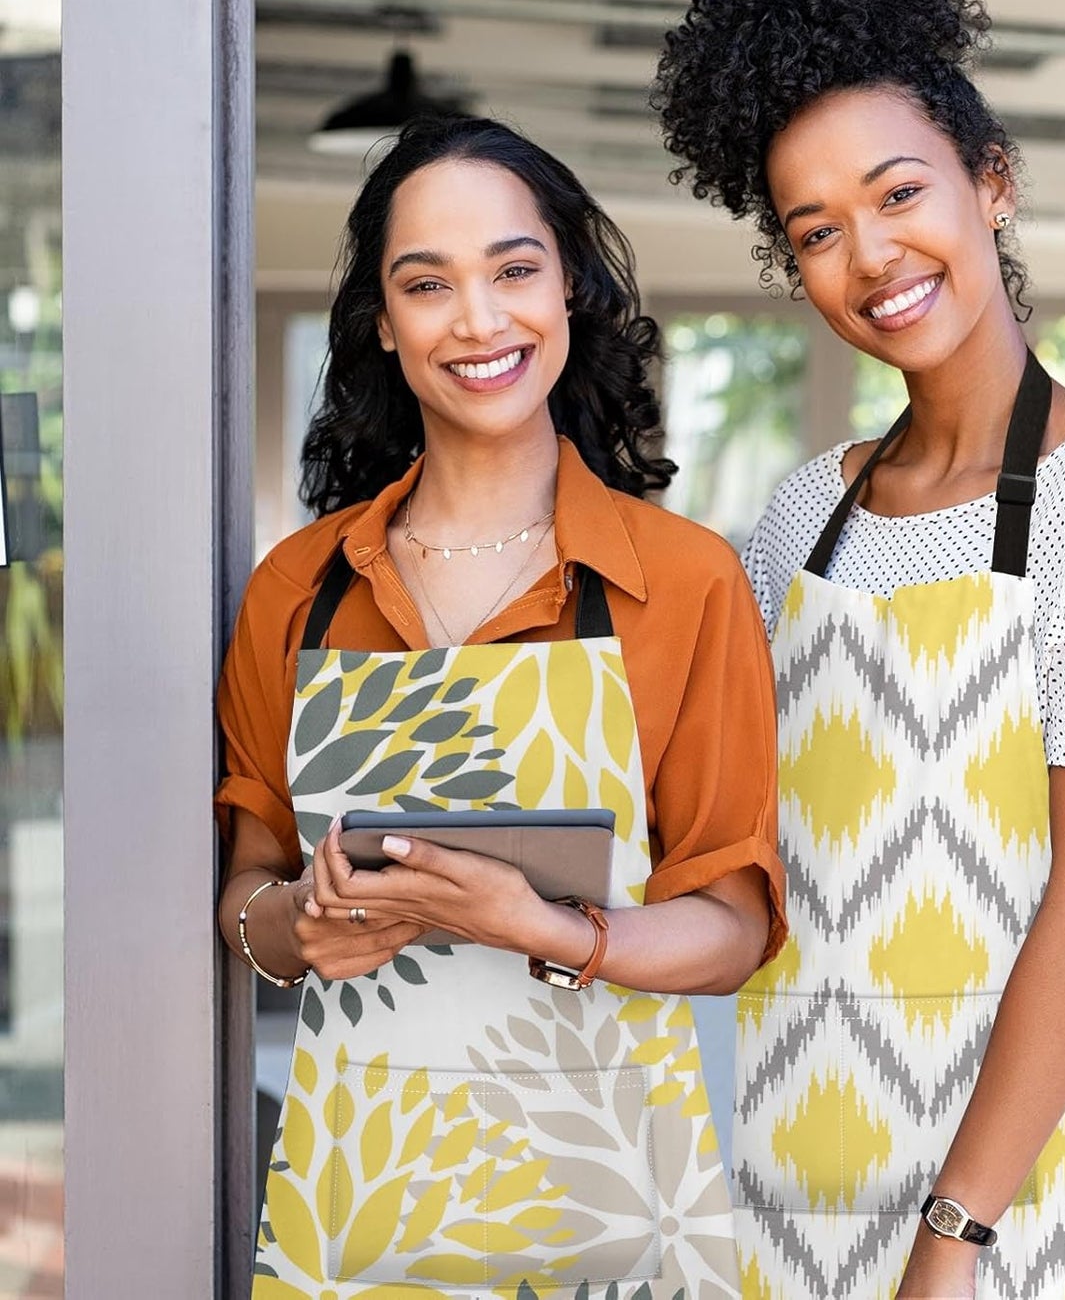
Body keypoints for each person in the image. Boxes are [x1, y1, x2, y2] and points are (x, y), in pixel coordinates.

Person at [654, 0, 1065, 1300]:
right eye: (817, 231)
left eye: (900, 192)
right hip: (790, 1135)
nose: (871, 253)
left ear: (992, 183)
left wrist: (950, 1240)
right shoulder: (801, 516)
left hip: (1012, 1189)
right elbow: (732, 831)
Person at [214, 114, 785, 1300]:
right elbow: (247, 884)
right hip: (358, 1205)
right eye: (429, 284)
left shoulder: (680, 582)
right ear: (385, 322)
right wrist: (292, 927)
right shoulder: (297, 588)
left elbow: (732, 923)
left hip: (616, 1211)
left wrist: (548, 927)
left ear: (568, 287)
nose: (478, 320)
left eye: (514, 270)